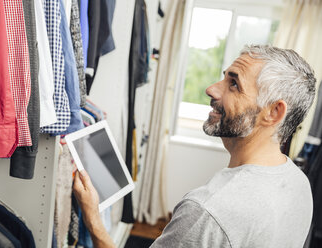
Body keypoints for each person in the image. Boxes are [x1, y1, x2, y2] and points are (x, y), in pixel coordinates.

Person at [73, 45, 316, 247]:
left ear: (274, 112)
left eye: (234, 84)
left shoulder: (208, 211)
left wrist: (93, 220)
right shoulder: (299, 184)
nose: (211, 89)